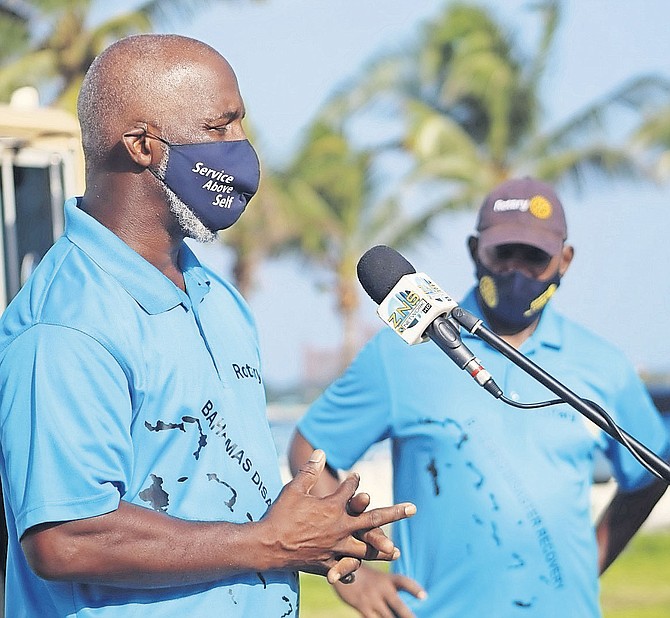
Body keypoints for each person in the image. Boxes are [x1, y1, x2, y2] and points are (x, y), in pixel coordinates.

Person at [0, 34, 417, 617]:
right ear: (143, 145)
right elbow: (64, 537)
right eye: (222, 127)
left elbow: (207, 482)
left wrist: (314, 529)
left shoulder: (216, 297)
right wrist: (270, 542)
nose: (242, 149)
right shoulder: (67, 325)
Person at [289, 177, 670, 617]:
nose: (516, 270)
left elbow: (651, 470)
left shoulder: (604, 366)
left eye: (535, 257)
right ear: (475, 251)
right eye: (502, 253)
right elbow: (309, 450)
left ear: (565, 260)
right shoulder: (401, 353)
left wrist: (591, 563)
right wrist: (353, 572)